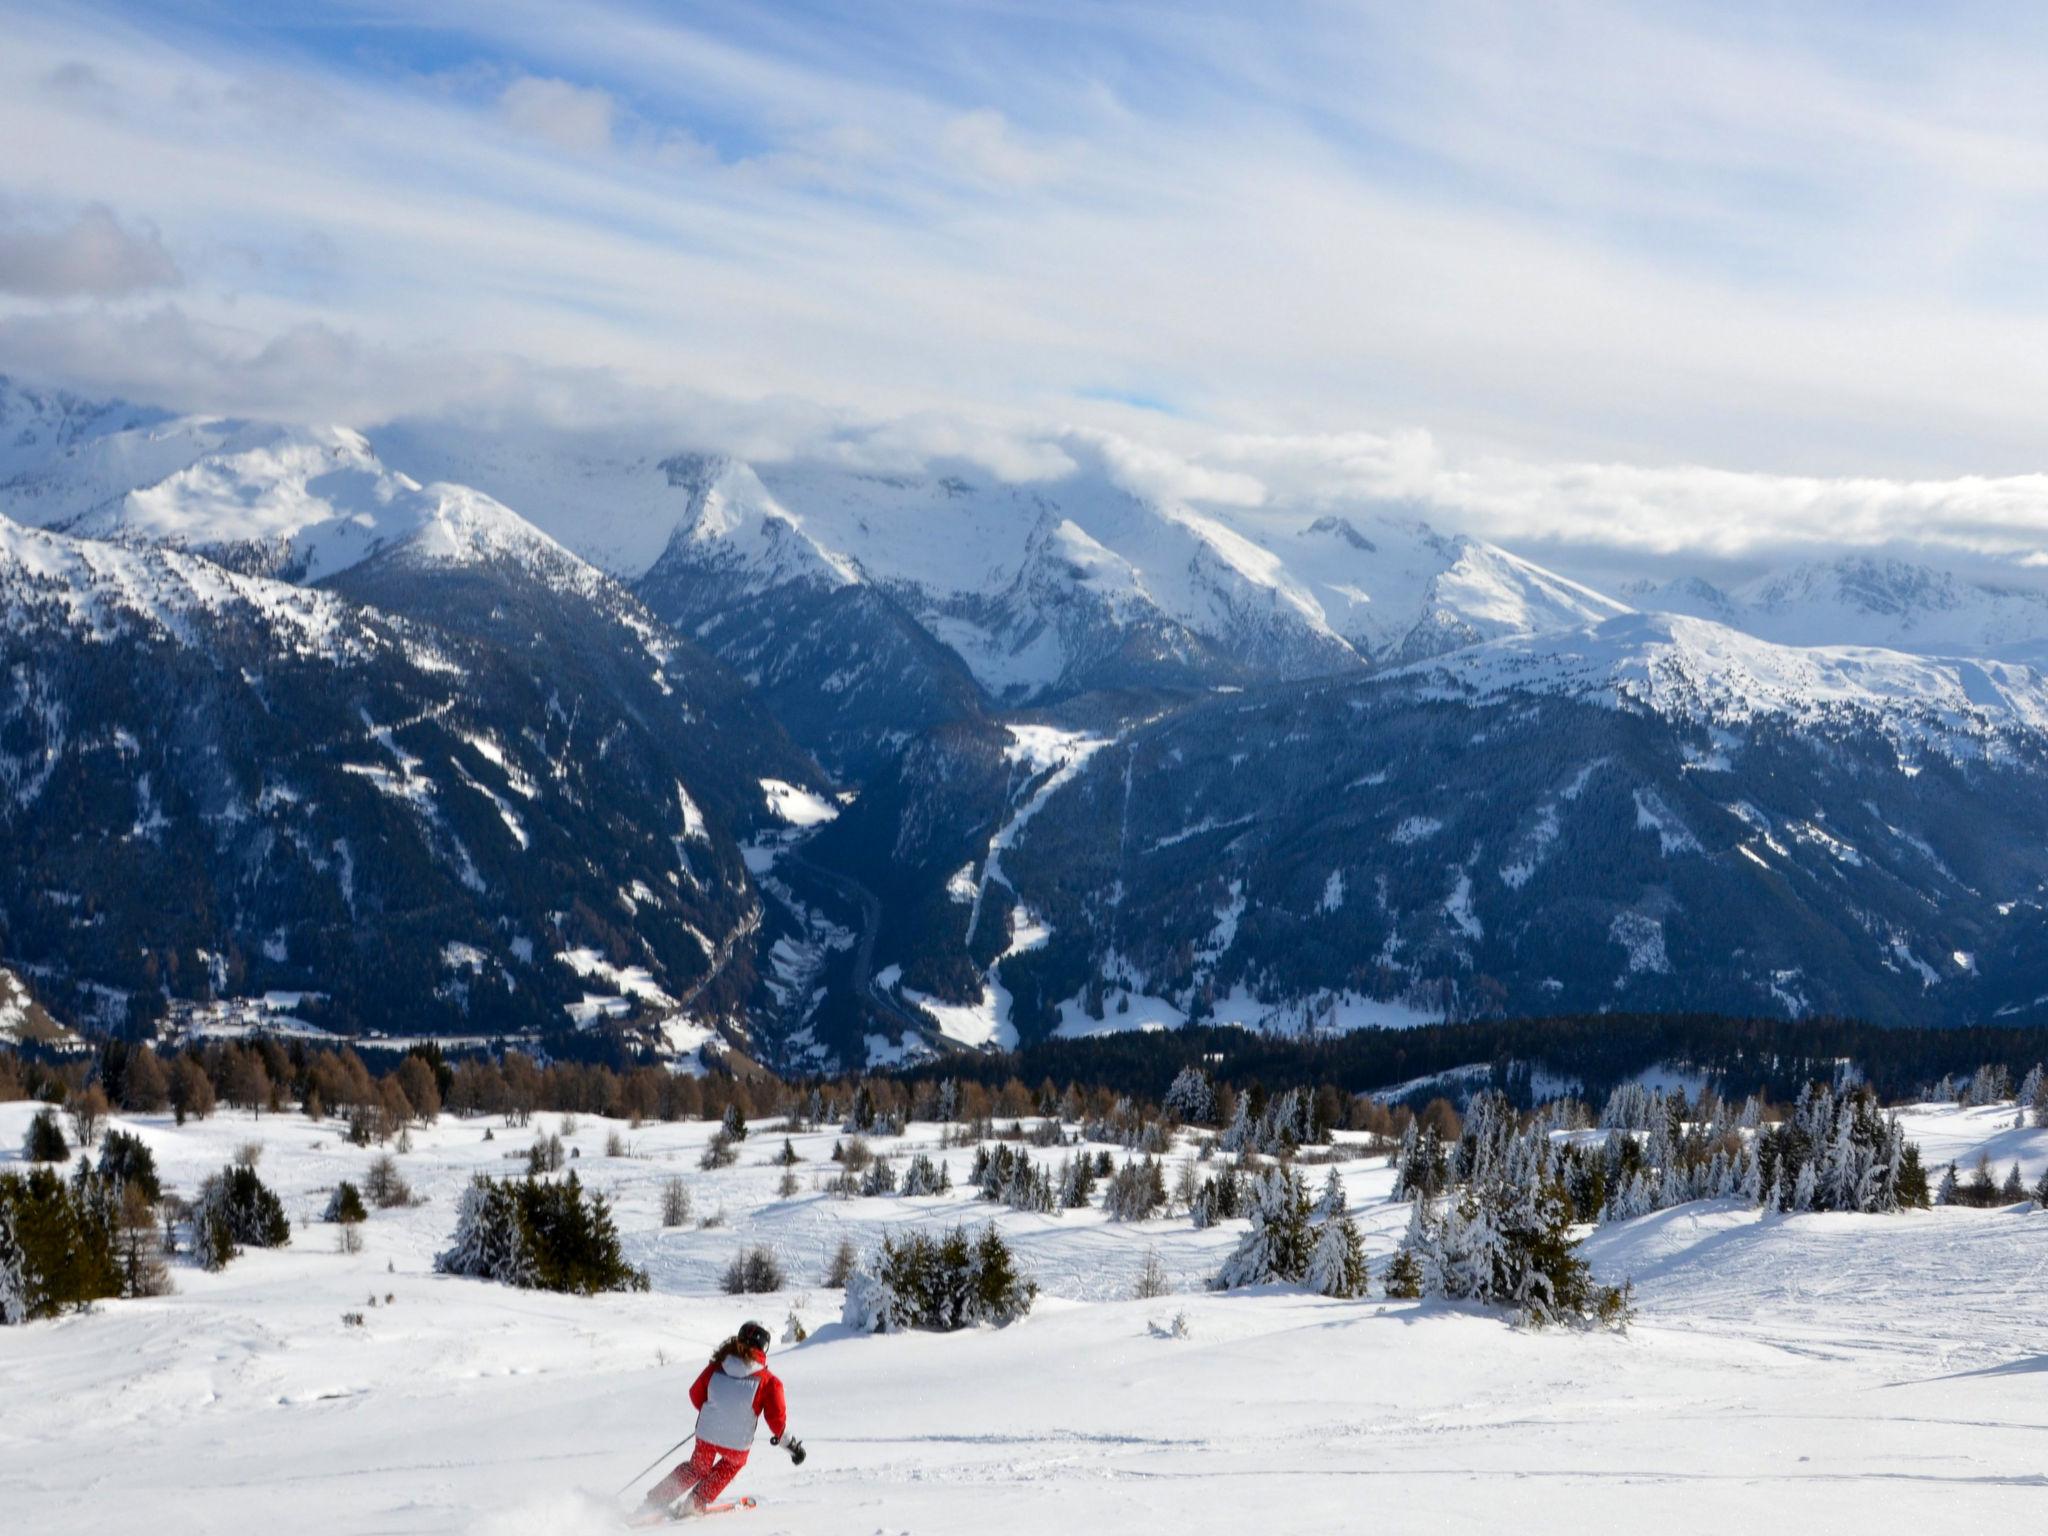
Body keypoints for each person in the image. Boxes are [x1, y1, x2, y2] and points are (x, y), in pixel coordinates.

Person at [633, 1321, 804, 1523]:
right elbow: (777, 1422)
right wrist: (793, 1447)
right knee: (731, 1464)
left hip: (707, 1434)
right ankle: (696, 1502)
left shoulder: (716, 1367)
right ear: (762, 1348)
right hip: (737, 1443)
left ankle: (654, 1502)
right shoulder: (769, 1381)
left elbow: (695, 1394)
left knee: (697, 1467)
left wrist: (715, 1412)